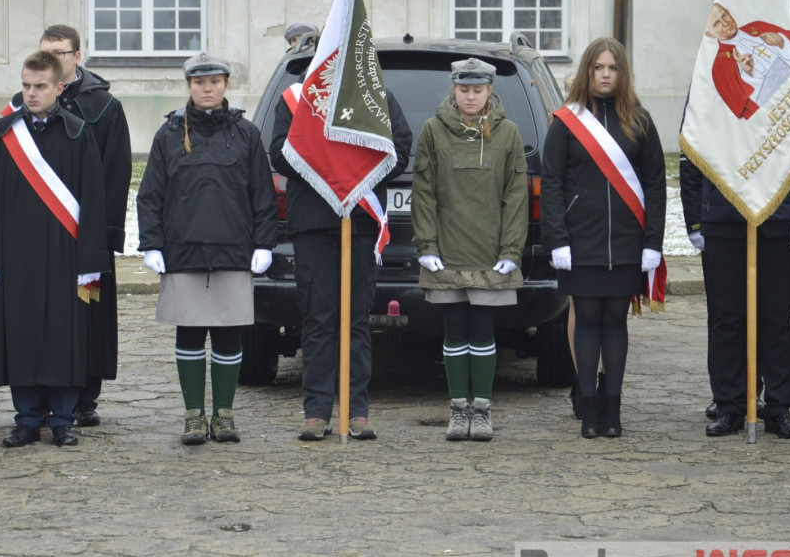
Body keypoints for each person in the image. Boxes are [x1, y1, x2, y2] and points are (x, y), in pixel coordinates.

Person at [136, 51, 277, 445]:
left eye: (214, 81)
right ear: (189, 86)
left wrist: (263, 243)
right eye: (199, 82)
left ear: (225, 85)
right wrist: (151, 244)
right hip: (183, 252)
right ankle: (194, 416)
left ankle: (225, 415)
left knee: (230, 336)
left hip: (234, 251)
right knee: (190, 335)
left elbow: (262, 196)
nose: (207, 88)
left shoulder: (246, 134)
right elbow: (150, 195)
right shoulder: (168, 134)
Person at [0, 51, 107, 448]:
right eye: (26, 85)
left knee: (64, 336)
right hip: (17, 256)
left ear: (58, 88)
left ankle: (63, 419)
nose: (31, 93)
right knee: (23, 335)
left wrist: (90, 259)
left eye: (40, 86)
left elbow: (93, 201)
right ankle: (27, 419)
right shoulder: (2, 135)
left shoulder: (79, 133)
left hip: (65, 256)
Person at [269, 70, 412, 442]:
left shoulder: (375, 96)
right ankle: (316, 413)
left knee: (357, 319)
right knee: (319, 318)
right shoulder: (295, 100)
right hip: (314, 225)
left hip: (360, 222)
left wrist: (360, 176)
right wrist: (327, 168)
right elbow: (280, 152)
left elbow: (400, 146)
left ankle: (357, 411)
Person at [541, 37, 666, 439]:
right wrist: (557, 240)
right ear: (587, 72)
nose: (605, 74)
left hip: (628, 243)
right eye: (598, 68)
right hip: (580, 243)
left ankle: (613, 407)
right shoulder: (566, 122)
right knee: (587, 320)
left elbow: (656, 185)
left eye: (612, 68)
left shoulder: (641, 121)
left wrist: (652, 243)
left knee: (615, 322)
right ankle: (589, 407)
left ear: (622, 73)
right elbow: (554, 185)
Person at [411, 57, 527, 441]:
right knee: (454, 331)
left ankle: (483, 410)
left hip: (491, 252)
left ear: (490, 90)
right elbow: (423, 191)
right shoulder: (432, 130)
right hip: (447, 250)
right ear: (454, 90)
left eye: (478, 90)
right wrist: (426, 243)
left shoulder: (508, 133)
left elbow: (515, 195)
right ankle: (458, 408)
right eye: (464, 90)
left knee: (482, 330)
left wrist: (511, 249)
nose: (471, 96)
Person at [34, 25, 131, 428]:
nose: (53, 58)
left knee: (87, 314)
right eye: (46, 52)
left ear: (77, 56)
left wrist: (103, 232)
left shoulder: (104, 107)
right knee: (42, 314)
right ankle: (40, 392)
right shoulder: (27, 103)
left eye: (60, 52)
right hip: (39, 236)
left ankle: (85, 396)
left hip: (85, 234)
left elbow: (116, 174)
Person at [679, 148, 790, 438]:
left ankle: (778, 407)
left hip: (778, 217)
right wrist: (695, 221)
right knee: (726, 319)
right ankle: (730, 405)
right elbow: (691, 160)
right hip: (722, 218)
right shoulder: (707, 99)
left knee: (778, 319)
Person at [705, 3, 790, 119]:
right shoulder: (719, 68)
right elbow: (751, 116)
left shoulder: (758, 26)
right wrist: (752, 75)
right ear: (710, 34)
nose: (725, 24)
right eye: (716, 24)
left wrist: (782, 42)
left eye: (724, 15)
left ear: (729, 12)